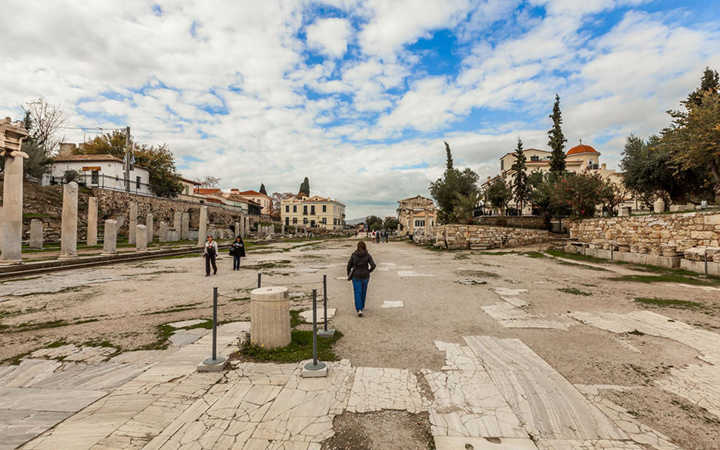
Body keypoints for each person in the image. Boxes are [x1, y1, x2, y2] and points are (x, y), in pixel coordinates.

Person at [347, 241, 376, 317]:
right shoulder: (367, 255)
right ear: (365, 247)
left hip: (356, 276)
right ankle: (362, 306)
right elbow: (373, 265)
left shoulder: (354, 255)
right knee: (363, 292)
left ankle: (359, 309)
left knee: (357, 292)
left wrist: (349, 274)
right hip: (365, 275)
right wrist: (369, 271)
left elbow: (349, 266)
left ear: (357, 247)